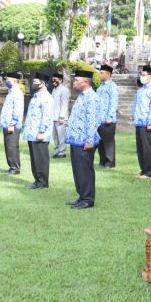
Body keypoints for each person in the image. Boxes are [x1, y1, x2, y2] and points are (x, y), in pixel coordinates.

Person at [65, 70, 101, 209]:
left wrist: (89, 140)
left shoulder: (92, 98)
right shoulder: (83, 96)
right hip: (76, 139)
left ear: (85, 83)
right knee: (78, 169)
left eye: (76, 80)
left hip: (85, 140)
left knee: (85, 170)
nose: (74, 82)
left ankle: (88, 199)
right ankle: (81, 195)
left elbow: (92, 121)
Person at [23, 73, 54, 189]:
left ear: (44, 84)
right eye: (33, 82)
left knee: (41, 158)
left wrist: (42, 132)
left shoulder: (46, 97)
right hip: (32, 132)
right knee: (34, 158)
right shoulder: (36, 96)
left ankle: (43, 182)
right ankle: (37, 180)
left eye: (36, 82)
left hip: (40, 134)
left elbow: (46, 116)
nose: (33, 84)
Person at [132, 66, 151, 179]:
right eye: (141, 75)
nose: (141, 77)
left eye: (144, 75)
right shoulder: (141, 90)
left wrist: (150, 122)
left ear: (150, 76)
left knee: (148, 148)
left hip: (148, 123)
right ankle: (143, 170)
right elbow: (135, 104)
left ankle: (149, 171)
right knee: (140, 148)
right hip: (139, 122)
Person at [0, 72, 24, 175]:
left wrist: (12, 124)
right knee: (8, 146)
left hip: (12, 125)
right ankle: (12, 166)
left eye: (8, 80)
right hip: (7, 123)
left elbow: (17, 111)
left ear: (15, 81)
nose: (6, 81)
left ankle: (15, 168)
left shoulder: (17, 93)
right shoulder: (11, 92)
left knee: (12, 146)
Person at [96, 64, 119, 168]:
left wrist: (110, 116)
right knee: (100, 142)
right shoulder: (101, 86)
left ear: (108, 74)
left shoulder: (112, 86)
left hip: (108, 119)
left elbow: (113, 102)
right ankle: (102, 161)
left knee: (108, 142)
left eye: (101, 73)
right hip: (99, 119)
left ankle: (110, 162)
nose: (99, 74)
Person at [51, 73, 70, 159]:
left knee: (61, 136)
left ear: (61, 80)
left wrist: (62, 117)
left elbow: (64, 104)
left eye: (56, 79)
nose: (54, 81)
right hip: (53, 117)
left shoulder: (64, 90)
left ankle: (62, 152)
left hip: (61, 118)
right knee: (55, 136)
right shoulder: (54, 90)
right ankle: (56, 150)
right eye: (53, 79)